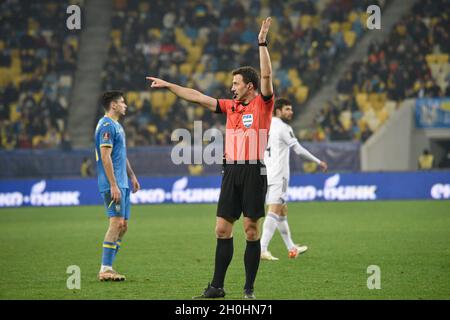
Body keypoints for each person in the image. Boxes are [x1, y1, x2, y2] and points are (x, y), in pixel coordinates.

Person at [147, 17, 274, 299]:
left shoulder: (262, 103)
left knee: (251, 231)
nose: (232, 87)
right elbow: (198, 97)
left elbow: (266, 77)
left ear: (250, 86)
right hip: (231, 171)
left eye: (236, 83)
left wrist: (262, 42)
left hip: (254, 172)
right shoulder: (230, 107)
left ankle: (249, 289)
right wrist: (169, 85)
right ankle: (216, 287)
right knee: (221, 229)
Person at [261, 98, 327, 261]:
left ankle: (291, 248)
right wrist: (318, 161)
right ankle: (262, 249)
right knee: (274, 210)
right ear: (278, 111)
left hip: (266, 173)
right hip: (279, 175)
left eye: (291, 109)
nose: (291, 112)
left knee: (282, 210)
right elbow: (298, 150)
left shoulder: (266, 124)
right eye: (287, 109)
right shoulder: (284, 128)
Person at [95, 91, 140, 281]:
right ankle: (105, 269)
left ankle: (109, 267)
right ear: (113, 105)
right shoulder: (106, 125)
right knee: (116, 223)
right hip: (112, 183)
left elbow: (121, 155)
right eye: (122, 102)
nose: (125, 105)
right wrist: (113, 184)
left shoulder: (117, 126)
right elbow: (105, 156)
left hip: (122, 182)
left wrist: (132, 175)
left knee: (123, 226)